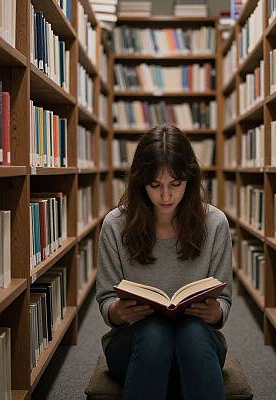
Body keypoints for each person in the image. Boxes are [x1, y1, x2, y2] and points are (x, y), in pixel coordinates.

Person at [96, 125, 233, 400]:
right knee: (154, 331)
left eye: (176, 184)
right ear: (140, 183)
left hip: (197, 346)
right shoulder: (115, 225)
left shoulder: (215, 223)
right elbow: (106, 299)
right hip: (134, 346)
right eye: (155, 185)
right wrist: (117, 312)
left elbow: (224, 300)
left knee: (192, 333)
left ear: (190, 181)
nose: (166, 196)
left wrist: (216, 313)